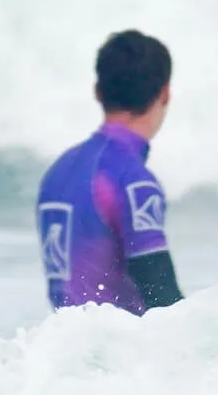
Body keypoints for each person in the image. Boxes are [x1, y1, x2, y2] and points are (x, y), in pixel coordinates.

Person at [36, 30, 184, 313]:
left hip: (61, 348)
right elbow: (162, 298)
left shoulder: (57, 173)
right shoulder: (132, 181)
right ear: (165, 94)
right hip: (124, 353)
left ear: (98, 91)